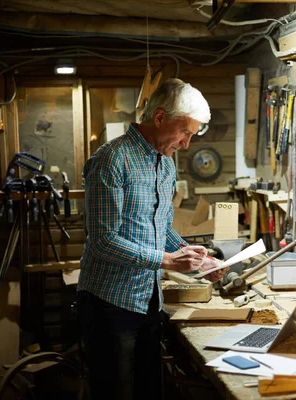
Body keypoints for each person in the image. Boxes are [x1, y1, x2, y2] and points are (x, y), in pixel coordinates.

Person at [77, 79, 225, 400]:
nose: (186, 144)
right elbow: (104, 241)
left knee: (149, 392)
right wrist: (170, 261)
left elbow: (158, 226)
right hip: (110, 303)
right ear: (159, 119)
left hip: (149, 299)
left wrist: (191, 255)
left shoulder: (165, 162)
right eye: (185, 132)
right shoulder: (112, 160)